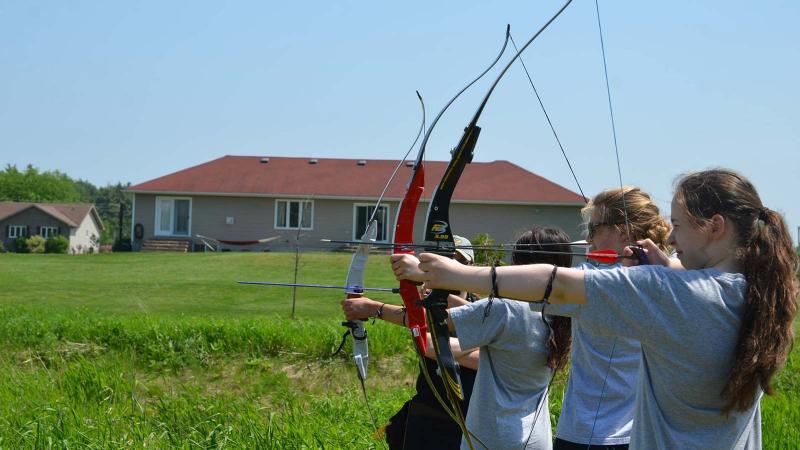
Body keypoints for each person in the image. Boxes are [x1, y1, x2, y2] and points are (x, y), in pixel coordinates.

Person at [403, 169, 798, 449]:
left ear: (715, 226)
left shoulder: (668, 292)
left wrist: (457, 273)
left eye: (678, 224)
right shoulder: (761, 287)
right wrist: (665, 268)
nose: (672, 236)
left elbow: (554, 284)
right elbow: (689, 287)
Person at [549, 187, 671, 450]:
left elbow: (537, 293)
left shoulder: (603, 284)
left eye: (594, 229)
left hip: (593, 434)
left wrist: (457, 274)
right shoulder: (665, 277)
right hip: (643, 432)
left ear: (623, 231)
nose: (588, 238)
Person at [342, 235, 479, 450]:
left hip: (470, 426)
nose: (451, 268)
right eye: (443, 262)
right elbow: (426, 339)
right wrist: (484, 342)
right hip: (426, 421)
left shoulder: (487, 312)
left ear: (470, 267)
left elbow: (467, 355)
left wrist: (376, 308)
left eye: (458, 262)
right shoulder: (427, 308)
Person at [442, 226, 573, 450]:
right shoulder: (562, 312)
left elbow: (438, 325)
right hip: (536, 440)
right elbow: (488, 316)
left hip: (494, 438)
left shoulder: (504, 310)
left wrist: (376, 308)